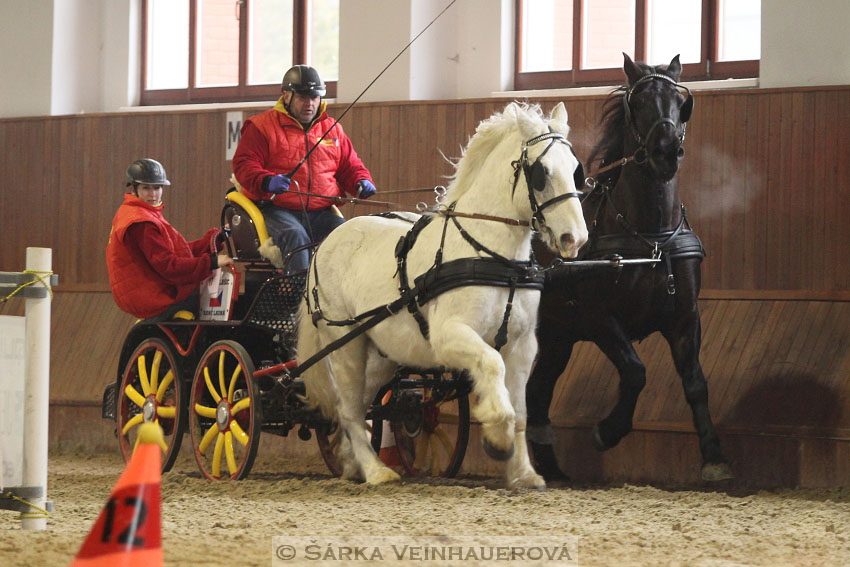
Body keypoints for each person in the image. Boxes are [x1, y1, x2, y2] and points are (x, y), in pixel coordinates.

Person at [232, 64, 376, 271]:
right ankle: (297, 299)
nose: (309, 103)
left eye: (314, 98)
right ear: (286, 96)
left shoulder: (333, 129)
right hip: (276, 208)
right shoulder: (261, 126)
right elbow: (244, 165)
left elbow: (350, 165)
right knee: (295, 236)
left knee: (348, 235)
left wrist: (361, 181)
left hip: (321, 210)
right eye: (302, 97)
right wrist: (266, 180)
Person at [106, 158, 233, 320]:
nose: (153, 194)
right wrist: (212, 262)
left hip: (143, 291)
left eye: (157, 187)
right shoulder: (142, 222)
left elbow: (176, 253)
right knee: (201, 298)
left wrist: (215, 238)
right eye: (146, 188)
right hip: (152, 295)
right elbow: (170, 267)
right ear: (133, 188)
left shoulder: (135, 212)